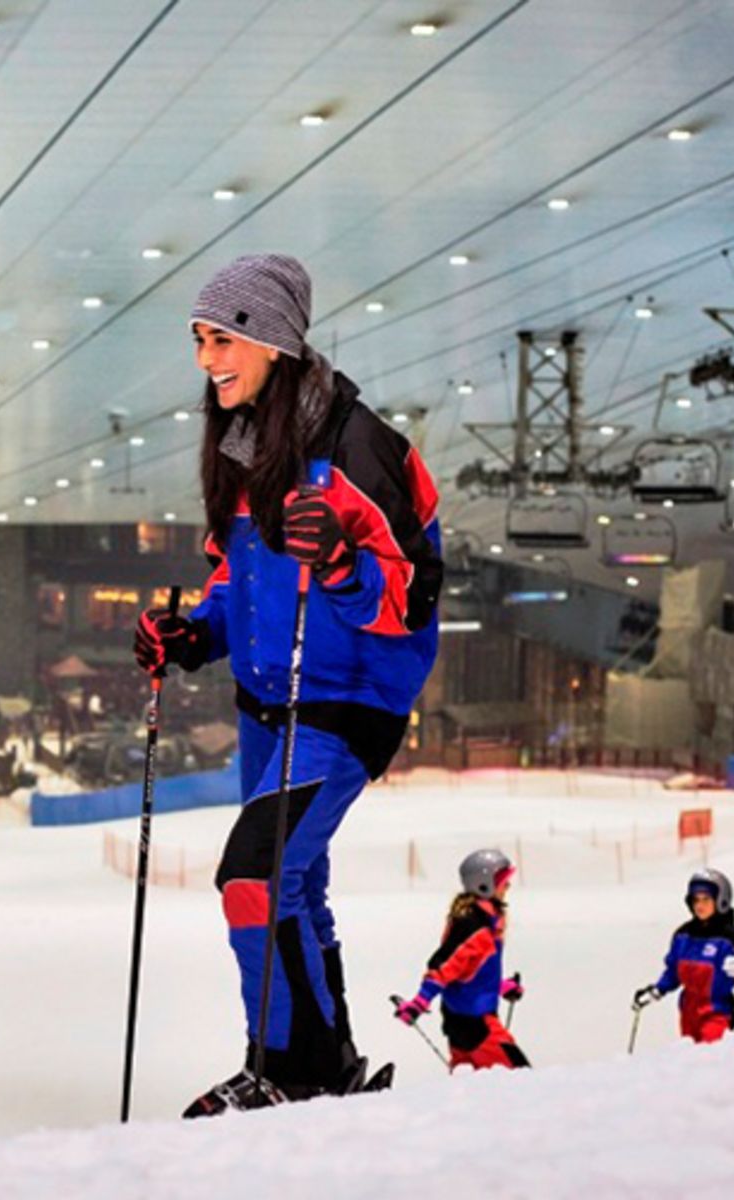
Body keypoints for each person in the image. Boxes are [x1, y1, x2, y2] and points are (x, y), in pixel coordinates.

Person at [132, 254, 444, 1115]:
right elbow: (239, 585)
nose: (207, 359)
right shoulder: (244, 448)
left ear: (272, 340)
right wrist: (193, 635)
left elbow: (414, 597)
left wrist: (342, 561)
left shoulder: (362, 447)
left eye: (222, 338)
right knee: (294, 888)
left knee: (253, 879)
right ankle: (326, 1061)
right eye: (199, 339)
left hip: (344, 706)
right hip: (268, 703)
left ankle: (284, 1066)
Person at [394, 849, 530, 1071]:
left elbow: (469, 971)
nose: (508, 887)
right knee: (521, 1080)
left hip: (461, 1023)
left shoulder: (485, 922)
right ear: (484, 884)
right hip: (477, 1025)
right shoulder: (474, 927)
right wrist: (419, 1002)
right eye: (503, 881)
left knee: (469, 1091)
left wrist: (501, 986)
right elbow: (444, 966)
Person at [632, 868, 734, 1044]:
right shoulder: (683, 935)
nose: (699, 905)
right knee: (691, 1061)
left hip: (717, 1012)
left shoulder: (730, 937)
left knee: (710, 1059)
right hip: (688, 1012)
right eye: (695, 900)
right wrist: (657, 990)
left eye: (706, 899)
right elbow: (673, 972)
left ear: (721, 900)